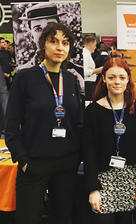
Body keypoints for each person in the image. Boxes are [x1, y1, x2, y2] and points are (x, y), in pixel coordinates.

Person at [5, 23, 82, 224]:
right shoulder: (25, 78)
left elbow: (78, 122)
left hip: (66, 163)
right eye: (53, 41)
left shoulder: (71, 79)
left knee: (62, 218)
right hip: (34, 162)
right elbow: (11, 124)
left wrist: (78, 156)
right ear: (43, 44)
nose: (60, 48)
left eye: (65, 43)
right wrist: (22, 160)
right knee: (27, 218)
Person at [83, 57, 136, 224]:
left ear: (128, 79)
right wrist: (93, 188)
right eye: (111, 77)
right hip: (102, 180)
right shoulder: (93, 110)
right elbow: (88, 152)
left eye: (121, 77)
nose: (117, 82)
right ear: (103, 79)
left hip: (129, 178)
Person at [17, 3, 84, 93]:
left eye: (50, 26)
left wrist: (82, 90)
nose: (45, 33)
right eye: (37, 29)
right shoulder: (22, 74)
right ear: (32, 36)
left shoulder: (78, 73)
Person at [83, 34, 103, 101]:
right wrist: (98, 70)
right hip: (88, 84)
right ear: (91, 44)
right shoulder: (85, 54)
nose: (95, 47)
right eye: (95, 45)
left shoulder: (87, 54)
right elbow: (84, 71)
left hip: (90, 83)